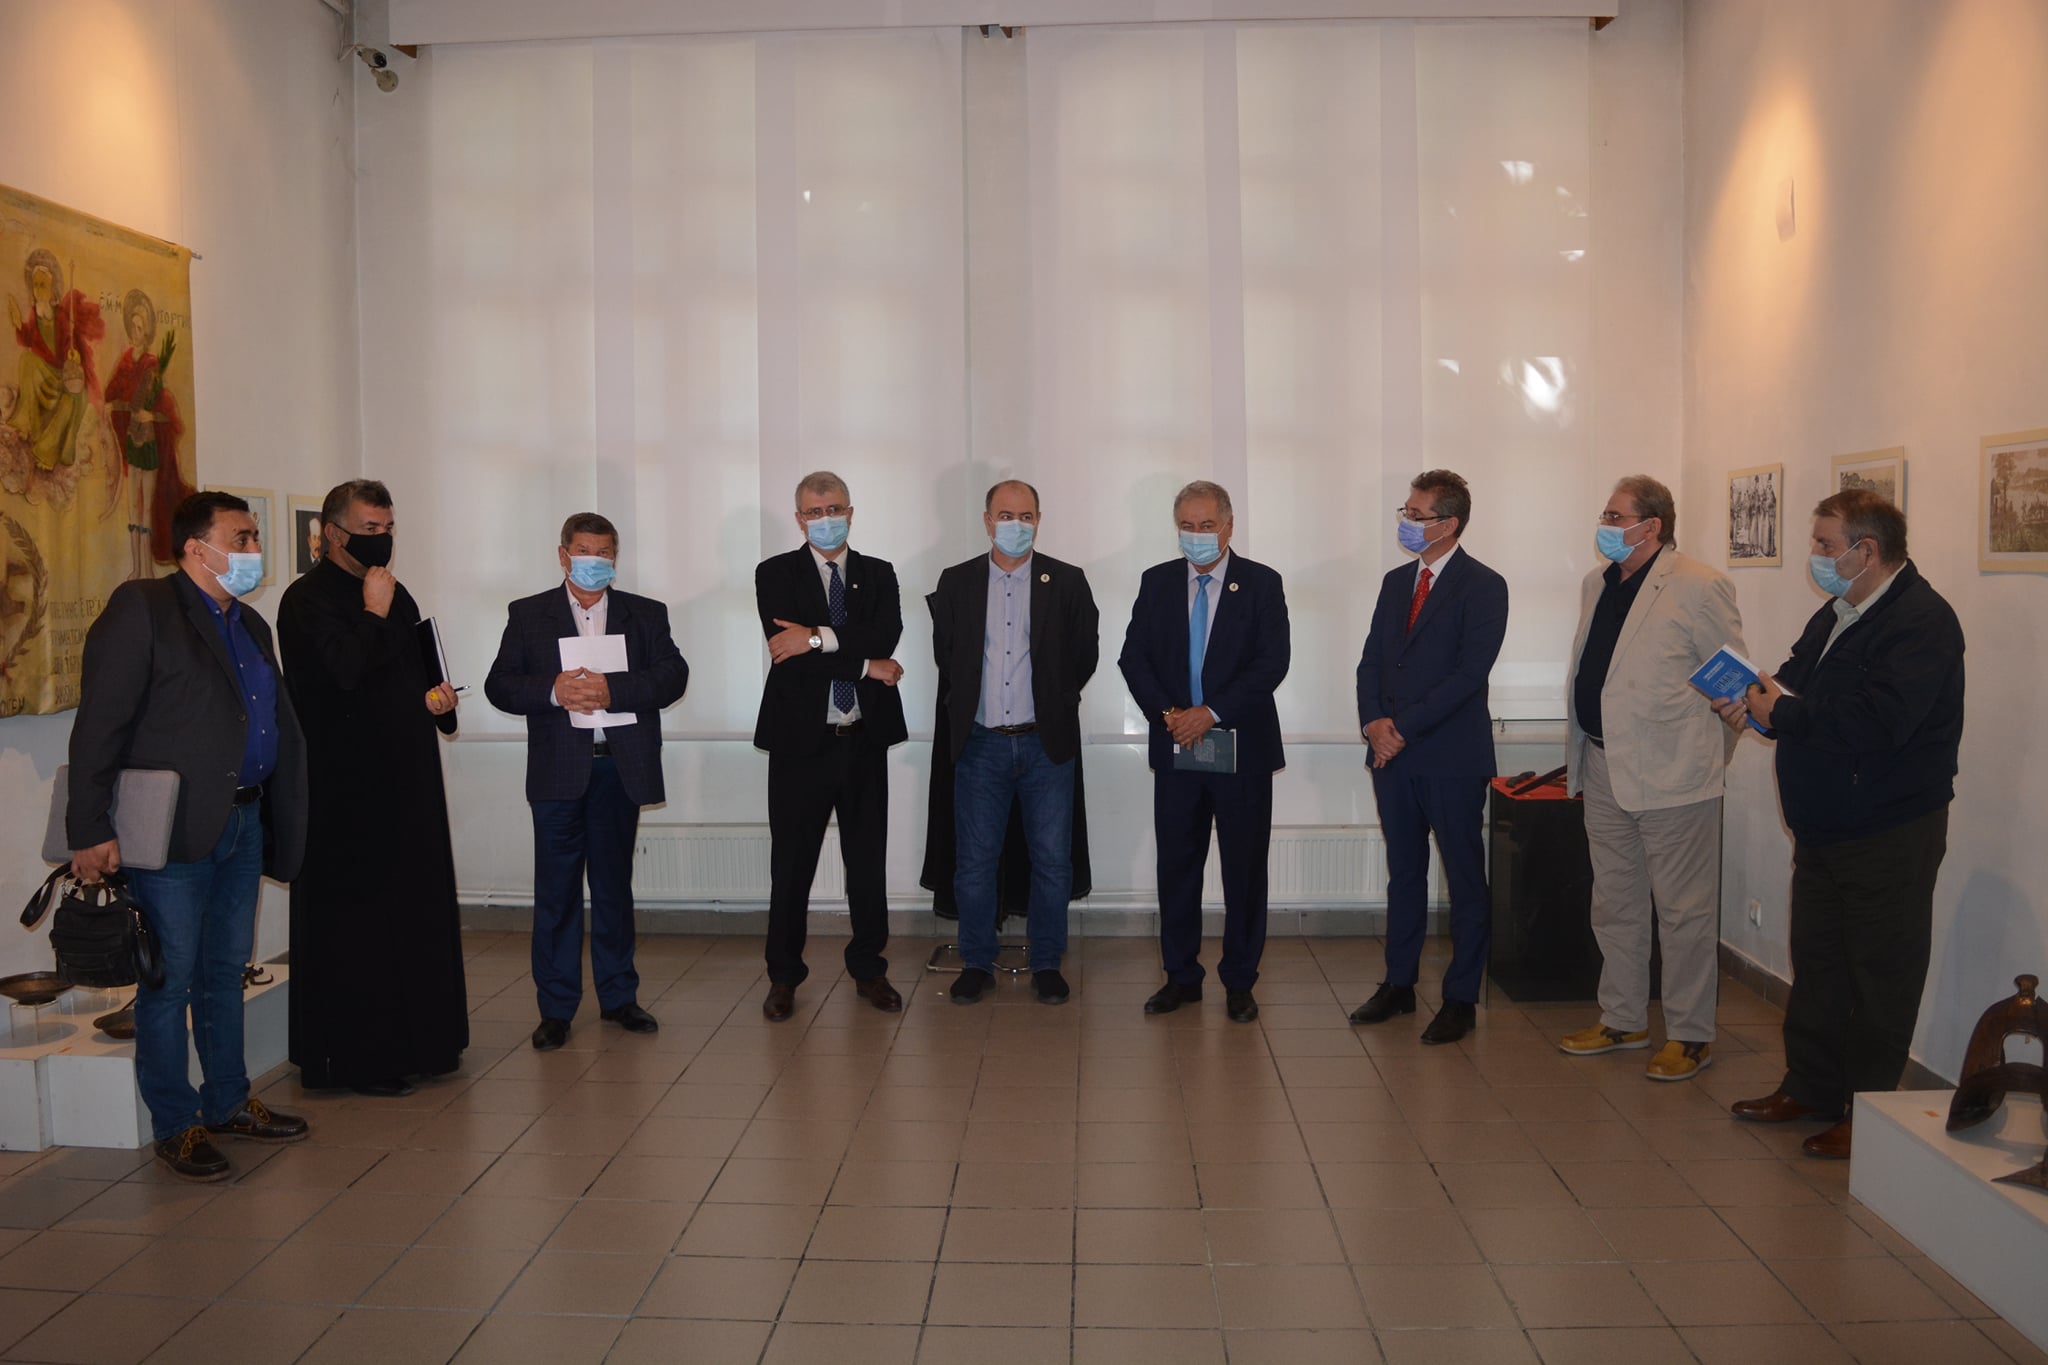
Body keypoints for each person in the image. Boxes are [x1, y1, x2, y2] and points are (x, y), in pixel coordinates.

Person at [66, 490, 310, 1180]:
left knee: (225, 970)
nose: (254, 550)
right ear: (196, 548)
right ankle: (175, 1124)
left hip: (243, 820)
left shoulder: (250, 622)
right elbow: (100, 723)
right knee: (168, 982)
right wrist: (88, 826)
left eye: (255, 536)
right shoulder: (144, 608)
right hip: (172, 830)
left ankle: (228, 1101)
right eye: (242, 537)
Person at [1722, 490, 1963, 1159]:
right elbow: (1797, 683)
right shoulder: (1838, 610)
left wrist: (1783, 713)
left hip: (1888, 829)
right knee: (1820, 965)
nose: (1817, 556)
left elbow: (1880, 720)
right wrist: (1755, 698)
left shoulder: (1922, 621)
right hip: (1825, 824)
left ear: (1868, 550)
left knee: (1880, 976)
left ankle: (1869, 1112)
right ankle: (1810, 1087)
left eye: (1826, 545)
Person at [277, 479, 467, 1097]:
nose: (382, 540)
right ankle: (361, 1058)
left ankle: (426, 1045)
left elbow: (420, 670)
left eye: (388, 529)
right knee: (360, 926)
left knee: (414, 913)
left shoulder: (394, 590)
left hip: (408, 780)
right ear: (334, 534)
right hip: (346, 792)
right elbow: (343, 673)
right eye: (369, 530)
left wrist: (441, 702)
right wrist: (373, 611)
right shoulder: (305, 601)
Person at [1557, 475, 1745, 1082]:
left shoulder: (1698, 585)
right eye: (1605, 514)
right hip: (1604, 765)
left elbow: (1732, 683)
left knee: (1684, 913)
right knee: (1615, 903)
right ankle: (1623, 1018)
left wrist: (1704, 758)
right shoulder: (1597, 583)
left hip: (1675, 776)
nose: (1605, 525)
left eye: (1616, 516)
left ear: (1652, 526)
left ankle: (1690, 1034)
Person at [485, 512, 690, 1050]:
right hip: (558, 770)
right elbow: (499, 685)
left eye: (603, 553)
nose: (593, 561)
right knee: (556, 893)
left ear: (615, 559)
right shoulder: (529, 614)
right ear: (562, 555)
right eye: (583, 551)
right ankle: (556, 1008)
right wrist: (553, 691)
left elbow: (673, 676)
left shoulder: (645, 613)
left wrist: (613, 691)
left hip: (619, 769)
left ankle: (619, 997)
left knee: (614, 888)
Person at [1119, 480, 1290, 1023]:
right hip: (1177, 749)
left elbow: (1272, 663)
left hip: (1242, 750)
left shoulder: (1261, 583)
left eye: (1207, 525)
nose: (1196, 535)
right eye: (1187, 526)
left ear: (1229, 526)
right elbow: (1133, 658)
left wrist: (1209, 713)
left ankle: (1240, 981)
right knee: (1177, 866)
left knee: (1244, 870)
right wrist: (1172, 715)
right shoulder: (1157, 582)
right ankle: (1181, 977)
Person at [1349, 471, 1509, 1044]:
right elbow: (1372, 661)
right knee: (1404, 874)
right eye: (1406, 513)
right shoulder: (1397, 582)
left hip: (1451, 756)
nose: (1407, 524)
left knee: (1464, 879)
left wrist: (1402, 728)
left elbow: (1468, 675)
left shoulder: (1484, 585)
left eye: (1417, 516)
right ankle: (1398, 984)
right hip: (1392, 756)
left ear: (1450, 524)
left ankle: (1460, 998)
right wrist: (1374, 723)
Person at [932, 479, 1100, 1006]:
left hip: (1045, 745)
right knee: (975, 863)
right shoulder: (957, 581)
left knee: (1052, 861)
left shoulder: (1067, 581)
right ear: (987, 521)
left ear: (1038, 520)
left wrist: (1053, 699)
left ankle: (1046, 962)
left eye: (1025, 516)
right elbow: (948, 657)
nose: (1016, 525)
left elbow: (1085, 654)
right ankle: (976, 962)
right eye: (1005, 516)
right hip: (981, 744)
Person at [752, 472, 908, 1021]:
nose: (825, 519)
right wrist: (866, 667)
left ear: (850, 512)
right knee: (791, 866)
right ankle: (783, 977)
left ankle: (869, 969)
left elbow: (884, 634)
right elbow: (788, 657)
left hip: (864, 740)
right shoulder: (775, 573)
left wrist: (815, 637)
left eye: (834, 508)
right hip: (801, 744)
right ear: (799, 519)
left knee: (866, 862)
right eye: (814, 512)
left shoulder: (878, 573)